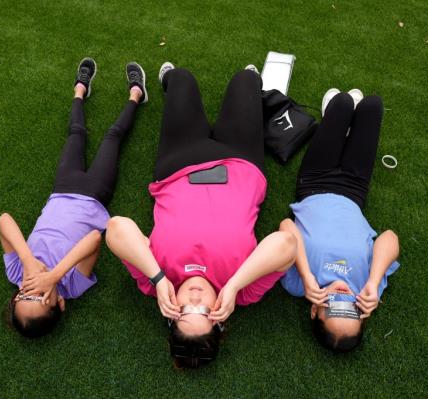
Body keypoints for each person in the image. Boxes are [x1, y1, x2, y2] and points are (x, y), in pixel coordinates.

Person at [105, 63, 298, 368]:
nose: (194, 300)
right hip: (241, 163)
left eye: (184, 312)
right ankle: (248, 83)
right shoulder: (243, 291)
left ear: (171, 312)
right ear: (220, 317)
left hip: (179, 165)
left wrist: (157, 278)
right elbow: (287, 244)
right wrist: (233, 285)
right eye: (205, 313)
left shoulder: (155, 281)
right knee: (246, 79)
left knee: (181, 79)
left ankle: (169, 79)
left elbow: (116, 228)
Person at [0, 58, 148, 338]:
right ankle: (136, 94)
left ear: (16, 296)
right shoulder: (71, 286)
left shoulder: (17, 272)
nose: (34, 291)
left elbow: (4, 220)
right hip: (94, 193)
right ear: (60, 303)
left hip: (62, 189)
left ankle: (80, 89)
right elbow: (93, 240)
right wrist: (54, 277)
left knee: (76, 134)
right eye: (42, 299)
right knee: (112, 138)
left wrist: (29, 261)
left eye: (24, 298)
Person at [279, 88, 400, 352]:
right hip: (354, 189)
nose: (343, 298)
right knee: (372, 105)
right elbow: (390, 237)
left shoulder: (298, 285)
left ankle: (335, 119)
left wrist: (307, 274)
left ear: (314, 311)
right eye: (352, 311)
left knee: (343, 102)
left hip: (314, 183)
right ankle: (342, 128)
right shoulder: (366, 288)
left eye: (334, 308)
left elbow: (286, 227)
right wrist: (372, 281)